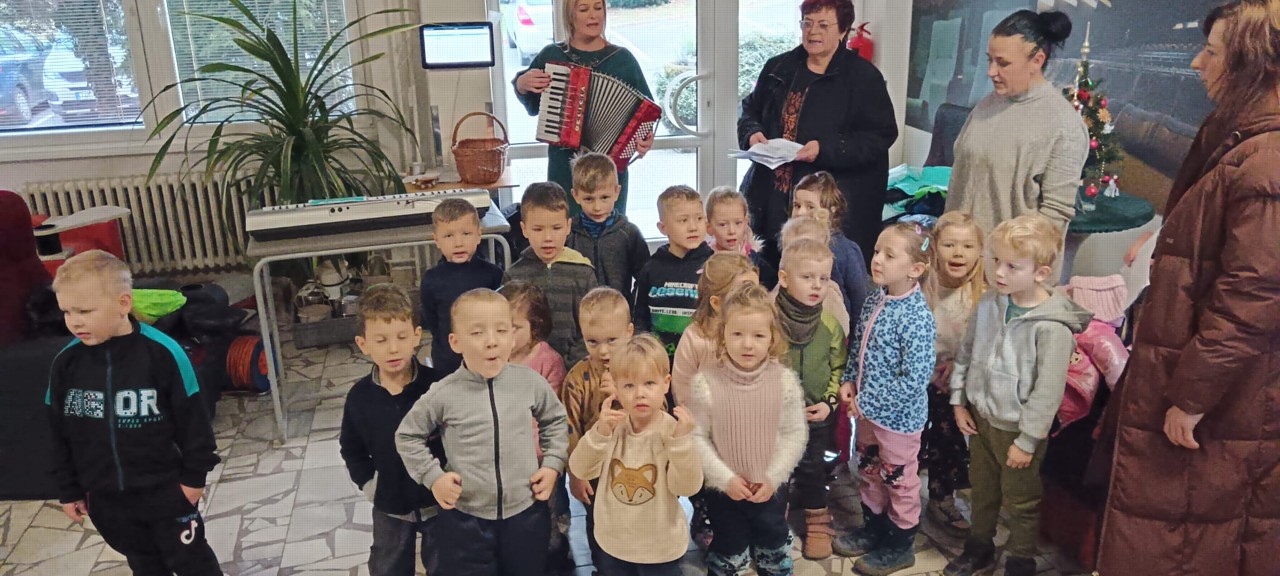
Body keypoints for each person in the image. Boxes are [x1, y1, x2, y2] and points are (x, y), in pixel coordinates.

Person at [1097, 2, 1280, 574]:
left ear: (1252, 66)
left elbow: (1253, 294)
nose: (1197, 63)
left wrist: (1192, 396)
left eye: (1212, 52)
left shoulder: (1266, 160)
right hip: (1198, 375)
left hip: (1216, 393)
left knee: (1187, 538)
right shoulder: (1239, 137)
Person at [47, 250, 222, 575]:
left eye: (85, 311)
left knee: (193, 562)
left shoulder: (163, 353)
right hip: (106, 499)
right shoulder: (65, 364)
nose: (74, 321)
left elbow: (194, 423)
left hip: (166, 490)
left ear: (123, 303)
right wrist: (69, 489)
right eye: (67, 311)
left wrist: (193, 479)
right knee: (144, 563)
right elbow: (59, 432)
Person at [944, 215, 1090, 576]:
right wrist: (959, 400)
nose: (998, 272)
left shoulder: (1052, 328)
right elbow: (968, 352)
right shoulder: (989, 303)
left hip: (1019, 430)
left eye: (1012, 266)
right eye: (996, 260)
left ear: (1041, 273)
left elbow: (1048, 391)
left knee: (1021, 500)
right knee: (982, 490)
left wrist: (1027, 440)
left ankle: (1021, 558)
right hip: (981, 420)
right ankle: (979, 547)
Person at [395, 289, 569, 576]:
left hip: (525, 513)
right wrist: (433, 477)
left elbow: (556, 421)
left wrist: (552, 464)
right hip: (467, 520)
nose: (492, 341)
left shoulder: (530, 382)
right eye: (477, 333)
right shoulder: (444, 393)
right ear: (455, 342)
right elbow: (407, 436)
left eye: (502, 330)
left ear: (512, 337)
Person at [737, 0, 897, 268]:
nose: (813, 32)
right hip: (770, 195)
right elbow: (749, 109)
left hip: (824, 203)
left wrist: (824, 149)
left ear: (843, 30)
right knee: (764, 269)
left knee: (813, 273)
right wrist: (752, 133)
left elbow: (881, 135)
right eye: (807, 23)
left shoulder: (864, 78)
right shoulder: (778, 67)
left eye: (823, 25)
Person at [833, 224, 936, 576]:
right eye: (877, 251)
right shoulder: (874, 299)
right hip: (866, 416)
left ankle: (899, 544)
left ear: (915, 269)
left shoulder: (917, 318)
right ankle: (873, 529)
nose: (877, 259)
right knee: (870, 471)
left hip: (898, 423)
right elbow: (858, 347)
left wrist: (869, 403)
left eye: (889, 255)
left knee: (899, 481)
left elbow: (914, 380)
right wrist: (849, 379)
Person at [689, 283, 807, 576]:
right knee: (729, 548)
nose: (747, 344)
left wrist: (773, 477)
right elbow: (697, 438)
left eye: (758, 335)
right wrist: (725, 479)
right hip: (724, 491)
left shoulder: (784, 382)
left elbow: (794, 434)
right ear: (722, 335)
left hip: (770, 488)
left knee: (773, 543)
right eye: (737, 334)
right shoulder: (706, 383)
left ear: (772, 338)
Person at [943, 10, 1089, 249]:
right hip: (959, 257)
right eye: (990, 60)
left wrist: (1006, 264)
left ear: (1037, 60)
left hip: (1006, 265)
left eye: (1003, 63)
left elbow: (1053, 221)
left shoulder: (1064, 125)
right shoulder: (986, 105)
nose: (991, 71)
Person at [567, 334, 704, 576]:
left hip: (660, 547)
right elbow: (581, 468)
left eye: (649, 383)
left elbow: (687, 487)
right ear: (616, 388)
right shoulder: (611, 427)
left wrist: (682, 444)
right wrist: (599, 433)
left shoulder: (674, 432)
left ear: (666, 383)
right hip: (613, 543)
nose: (639, 393)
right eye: (629, 386)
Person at [340, 285, 446, 576]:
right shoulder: (359, 398)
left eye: (401, 337)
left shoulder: (439, 387)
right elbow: (351, 449)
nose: (393, 348)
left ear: (416, 335)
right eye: (381, 340)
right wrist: (369, 484)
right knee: (388, 566)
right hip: (390, 504)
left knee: (448, 565)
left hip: (440, 502)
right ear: (363, 344)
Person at [512, 0, 655, 215]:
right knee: (564, 224)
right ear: (571, 15)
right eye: (584, 9)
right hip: (564, 166)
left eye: (598, 8)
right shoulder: (552, 56)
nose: (593, 15)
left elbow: (646, 113)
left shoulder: (623, 60)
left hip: (609, 170)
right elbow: (532, 105)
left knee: (610, 228)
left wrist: (645, 138)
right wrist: (521, 84)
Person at [668, 251, 759, 551]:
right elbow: (682, 388)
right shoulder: (695, 339)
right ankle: (706, 517)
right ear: (717, 303)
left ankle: (751, 519)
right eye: (742, 294)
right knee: (710, 483)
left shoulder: (754, 333)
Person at [775, 238, 845, 560]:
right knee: (776, 471)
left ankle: (817, 522)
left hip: (815, 417)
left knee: (812, 469)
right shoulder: (769, 322)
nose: (817, 285)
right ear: (784, 278)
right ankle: (773, 525)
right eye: (807, 277)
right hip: (775, 418)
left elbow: (839, 368)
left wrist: (829, 402)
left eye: (824, 278)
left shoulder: (830, 324)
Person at [920, 212, 986, 537]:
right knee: (911, 442)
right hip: (917, 379)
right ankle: (899, 496)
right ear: (935, 247)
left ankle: (942, 498)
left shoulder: (982, 296)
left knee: (947, 444)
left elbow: (984, 344)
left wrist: (960, 366)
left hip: (954, 385)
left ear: (979, 252)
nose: (958, 253)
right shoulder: (922, 285)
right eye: (950, 245)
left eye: (967, 246)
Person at [497, 280, 571, 570]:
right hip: (505, 459)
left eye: (514, 327)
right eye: (500, 327)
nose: (505, 335)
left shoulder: (547, 361)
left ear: (535, 326)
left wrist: (540, 455)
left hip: (539, 459)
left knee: (548, 512)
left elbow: (552, 417)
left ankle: (554, 552)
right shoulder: (494, 359)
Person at [560, 287, 635, 569]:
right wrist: (575, 474)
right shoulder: (577, 378)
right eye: (592, 341)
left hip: (638, 466)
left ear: (629, 332)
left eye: (612, 340)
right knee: (600, 528)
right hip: (595, 474)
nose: (603, 351)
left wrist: (624, 394)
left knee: (638, 528)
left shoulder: (641, 372)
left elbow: (659, 416)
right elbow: (569, 428)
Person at [505, 182, 600, 365]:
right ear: (524, 229)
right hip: (528, 369)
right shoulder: (514, 275)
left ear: (568, 226)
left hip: (577, 367)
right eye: (538, 229)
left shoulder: (583, 272)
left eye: (556, 228)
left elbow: (593, 325)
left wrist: (573, 363)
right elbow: (509, 328)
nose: (548, 238)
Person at [420, 198, 505, 374]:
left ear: (478, 235)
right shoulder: (431, 279)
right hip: (447, 361)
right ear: (436, 240)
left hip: (487, 356)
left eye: (466, 234)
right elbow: (432, 321)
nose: (458, 243)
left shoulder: (493, 274)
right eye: (449, 236)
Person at [633, 185, 714, 362]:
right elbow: (640, 318)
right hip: (659, 362)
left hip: (702, 361)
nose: (693, 227)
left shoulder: (714, 265)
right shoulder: (651, 268)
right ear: (663, 228)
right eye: (683, 220)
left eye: (699, 218)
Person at [566, 152, 651, 304]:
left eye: (604, 197)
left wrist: (631, 307)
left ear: (617, 192)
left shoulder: (629, 233)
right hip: (581, 314)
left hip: (619, 313)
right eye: (589, 199)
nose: (597, 207)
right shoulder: (568, 233)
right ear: (576, 196)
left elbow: (645, 278)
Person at [791, 171, 870, 322]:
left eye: (810, 207)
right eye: (797, 205)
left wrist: (856, 335)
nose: (800, 213)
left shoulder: (846, 251)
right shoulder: (792, 246)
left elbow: (859, 301)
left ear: (831, 210)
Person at [704, 187, 777, 290]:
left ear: (746, 222)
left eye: (738, 223)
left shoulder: (753, 259)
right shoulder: (703, 258)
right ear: (709, 227)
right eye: (723, 224)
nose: (732, 231)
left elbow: (773, 285)